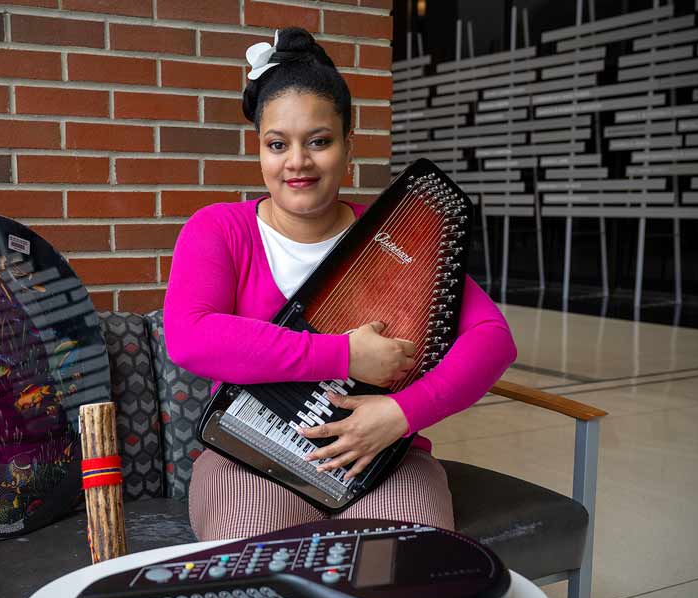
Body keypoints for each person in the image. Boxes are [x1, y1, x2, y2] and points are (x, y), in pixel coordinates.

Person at [163, 27, 517, 541]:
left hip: (382, 460)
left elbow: (493, 339)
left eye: (319, 141)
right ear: (259, 149)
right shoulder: (219, 230)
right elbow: (191, 337)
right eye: (277, 144)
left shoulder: (398, 236)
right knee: (257, 567)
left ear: (349, 146)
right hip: (248, 455)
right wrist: (345, 355)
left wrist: (402, 413)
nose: (297, 162)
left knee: (407, 563)